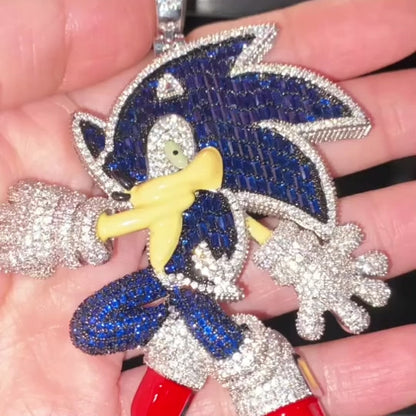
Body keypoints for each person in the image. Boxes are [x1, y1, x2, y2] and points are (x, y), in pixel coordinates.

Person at [0, 0, 415, 415]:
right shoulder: (157, 201)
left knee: (210, 335)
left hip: (198, 288)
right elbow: (119, 223)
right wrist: (73, 225)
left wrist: (312, 270)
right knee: (92, 328)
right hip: (163, 284)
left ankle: (262, 376)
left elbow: (264, 235)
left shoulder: (217, 197)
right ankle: (190, 338)